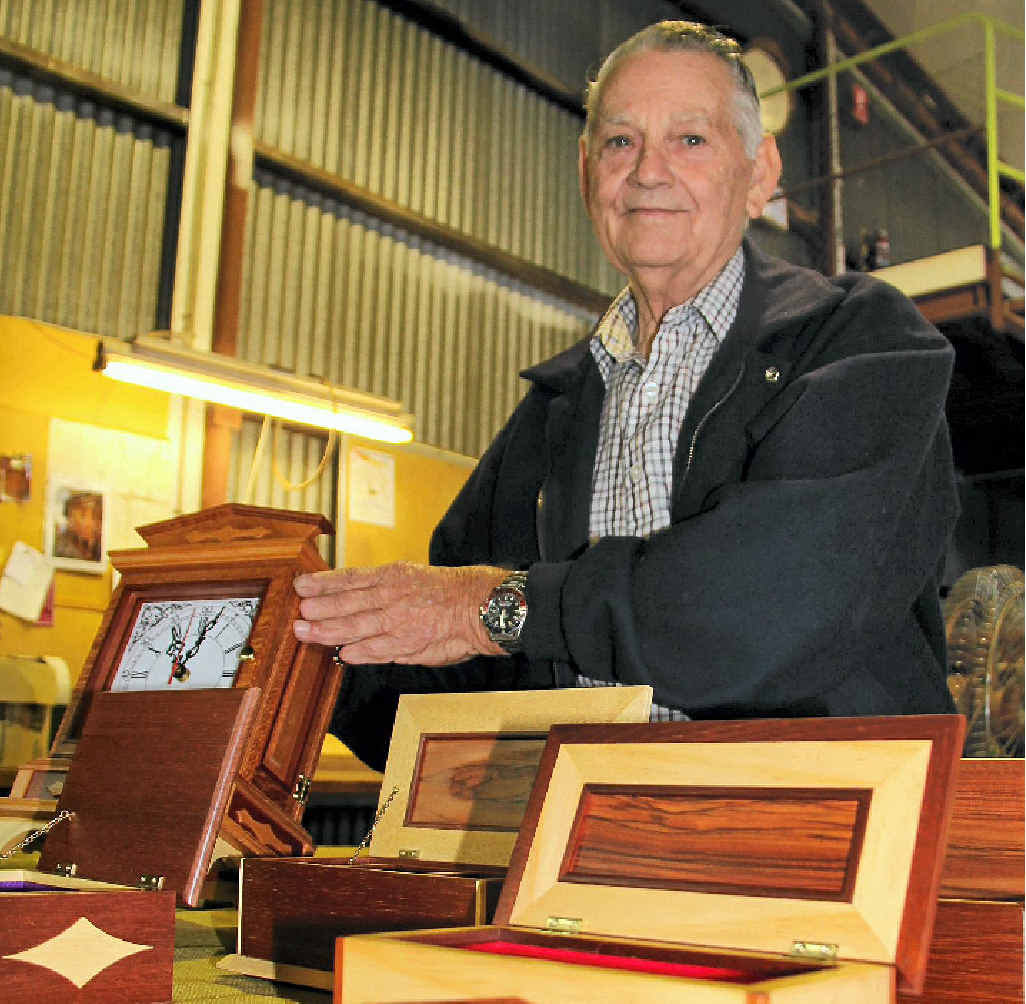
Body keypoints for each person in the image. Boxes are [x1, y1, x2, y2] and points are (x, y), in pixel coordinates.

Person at [293, 21, 959, 772]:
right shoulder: (550, 416)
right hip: (601, 851)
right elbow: (460, 689)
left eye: (691, 140)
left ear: (761, 171)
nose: (648, 172)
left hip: (822, 846)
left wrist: (500, 607)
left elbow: (769, 607)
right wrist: (306, 650)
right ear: (587, 172)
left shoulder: (860, 345)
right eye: (620, 142)